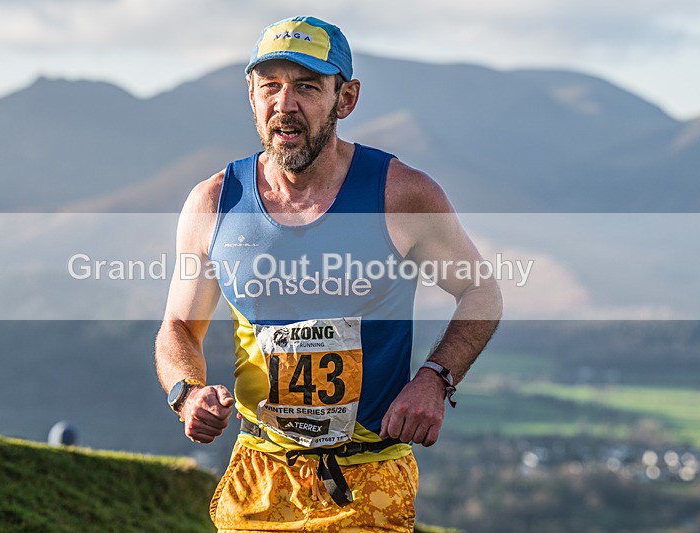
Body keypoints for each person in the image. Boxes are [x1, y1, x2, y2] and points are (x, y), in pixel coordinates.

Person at [155, 15, 502, 532]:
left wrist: (436, 378)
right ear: (251, 95)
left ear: (346, 99)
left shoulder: (400, 194)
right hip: (259, 477)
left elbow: (480, 292)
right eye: (270, 86)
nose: (285, 104)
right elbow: (179, 327)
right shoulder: (214, 202)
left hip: (368, 479)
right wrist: (187, 392)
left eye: (307, 87)